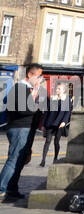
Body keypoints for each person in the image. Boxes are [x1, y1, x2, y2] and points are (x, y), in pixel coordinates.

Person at [0, 63, 44, 201]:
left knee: (21, 160)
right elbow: (22, 110)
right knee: (14, 159)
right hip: (20, 128)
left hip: (27, 128)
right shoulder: (19, 88)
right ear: (30, 75)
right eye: (39, 76)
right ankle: (2, 189)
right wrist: (35, 100)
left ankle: (12, 188)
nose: (40, 80)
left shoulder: (29, 90)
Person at [40, 82, 73, 167]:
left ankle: (55, 158)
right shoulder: (52, 98)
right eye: (57, 88)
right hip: (50, 122)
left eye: (59, 89)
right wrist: (43, 124)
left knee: (56, 142)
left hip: (59, 123)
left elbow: (67, 112)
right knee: (47, 141)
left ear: (63, 90)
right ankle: (43, 160)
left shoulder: (67, 99)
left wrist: (64, 122)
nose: (57, 90)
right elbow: (46, 112)